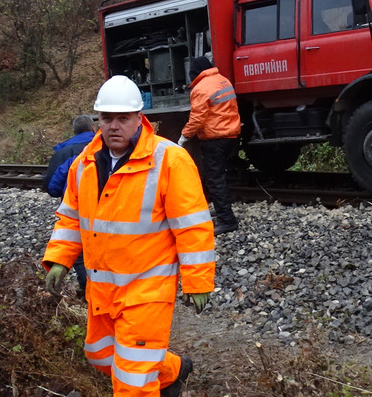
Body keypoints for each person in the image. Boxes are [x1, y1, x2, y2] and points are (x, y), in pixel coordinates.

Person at [43, 75, 214, 397]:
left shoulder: (169, 160)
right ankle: (173, 370)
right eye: (107, 118)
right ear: (98, 120)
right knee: (101, 354)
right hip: (103, 289)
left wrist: (198, 281)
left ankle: (156, 377)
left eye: (123, 118)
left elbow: (192, 225)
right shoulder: (84, 165)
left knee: (132, 381)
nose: (114, 126)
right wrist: (59, 259)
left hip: (147, 287)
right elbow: (70, 218)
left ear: (140, 119)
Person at [178, 56, 241, 236]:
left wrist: (183, 137)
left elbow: (197, 119)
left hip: (215, 138)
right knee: (220, 175)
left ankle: (227, 221)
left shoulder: (201, 88)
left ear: (195, 73)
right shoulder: (222, 80)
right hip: (231, 135)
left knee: (214, 179)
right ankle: (222, 209)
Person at [42, 115, 95, 295]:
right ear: (93, 128)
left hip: (76, 211)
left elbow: (52, 187)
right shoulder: (111, 146)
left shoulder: (64, 153)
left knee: (79, 252)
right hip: (106, 211)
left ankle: (86, 288)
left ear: (74, 131)